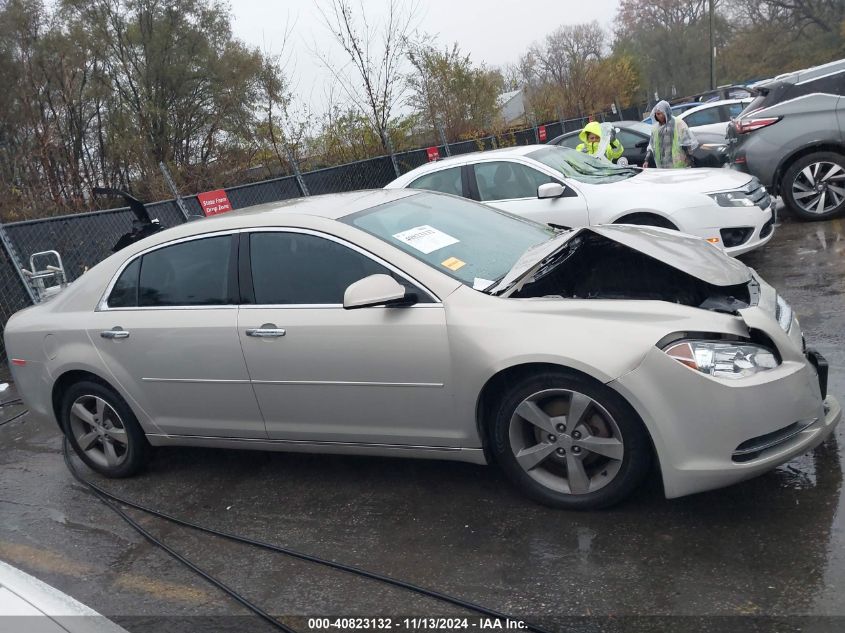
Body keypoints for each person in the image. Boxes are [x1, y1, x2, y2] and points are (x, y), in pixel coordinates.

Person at [643, 100, 699, 169]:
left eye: (660, 114)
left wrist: (690, 160)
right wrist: (646, 160)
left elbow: (686, 143)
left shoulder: (678, 123)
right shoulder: (655, 128)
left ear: (666, 112)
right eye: (656, 114)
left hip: (678, 165)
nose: (658, 116)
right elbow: (651, 146)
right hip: (662, 166)